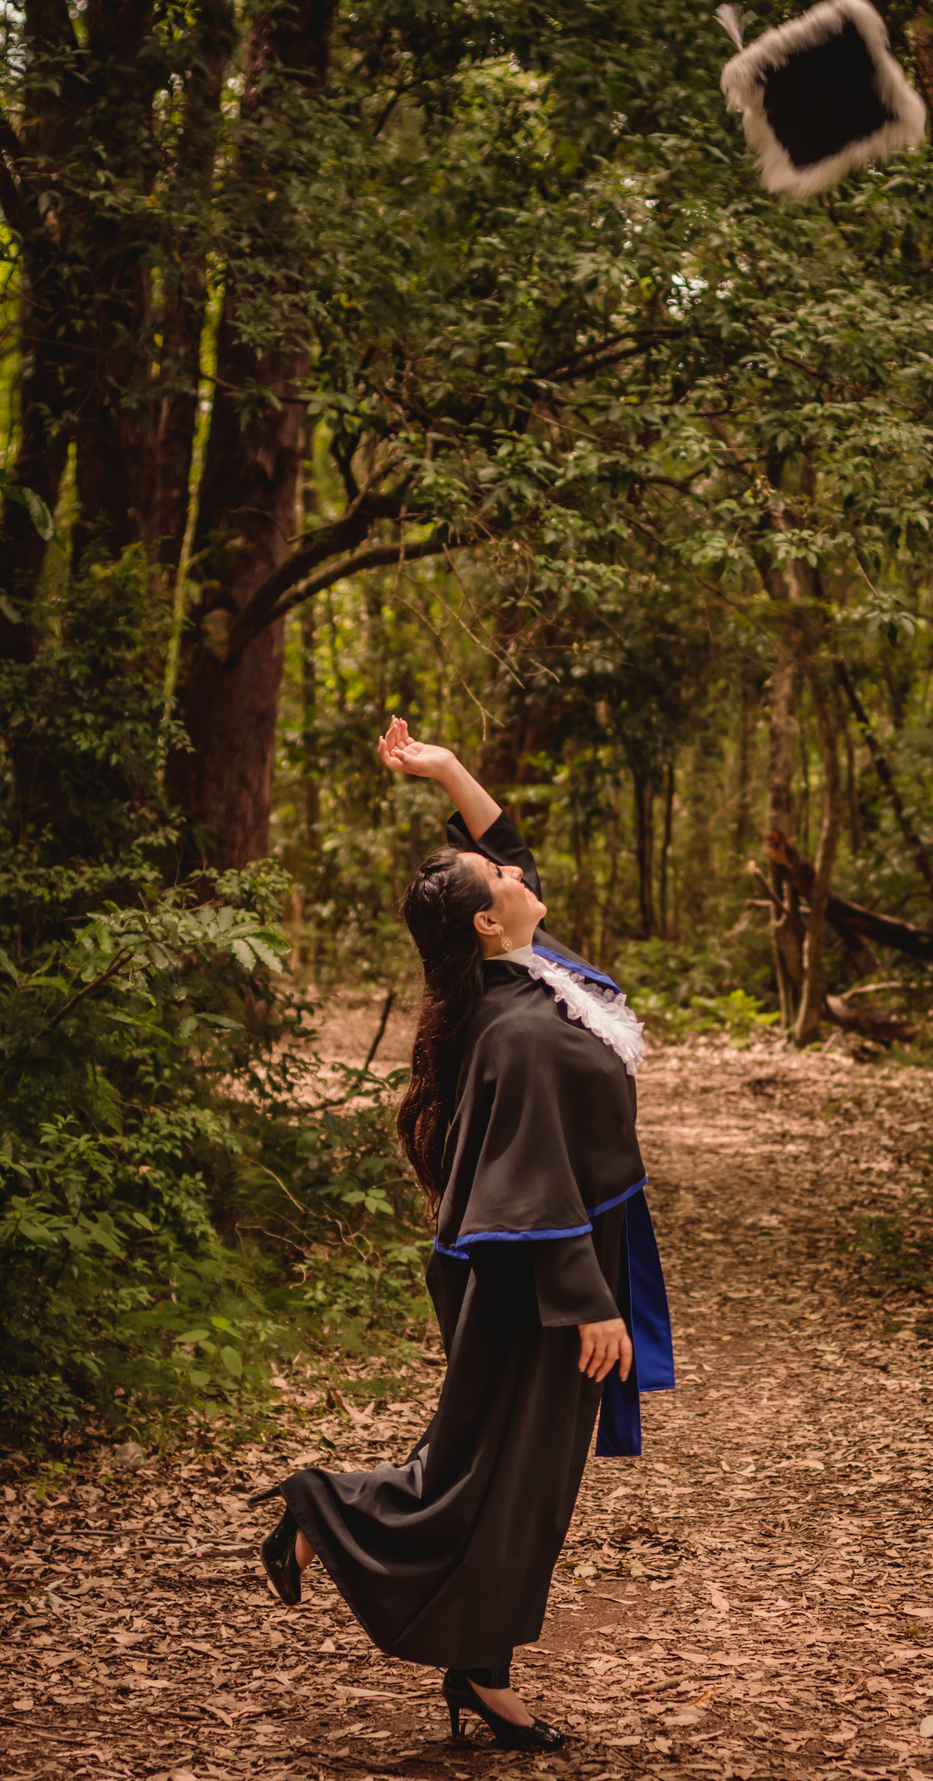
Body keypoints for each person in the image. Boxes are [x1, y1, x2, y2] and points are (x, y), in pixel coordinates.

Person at [252, 720, 673, 1752]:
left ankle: (481, 1674)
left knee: (519, 1480)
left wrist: (441, 770)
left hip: (545, 1259)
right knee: (486, 1471)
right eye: (504, 874)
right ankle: (325, 1513)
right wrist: (587, 1301)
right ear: (490, 921)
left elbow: (509, 850)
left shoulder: (518, 976)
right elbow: (529, 1182)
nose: (522, 871)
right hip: (539, 1274)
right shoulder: (523, 1028)